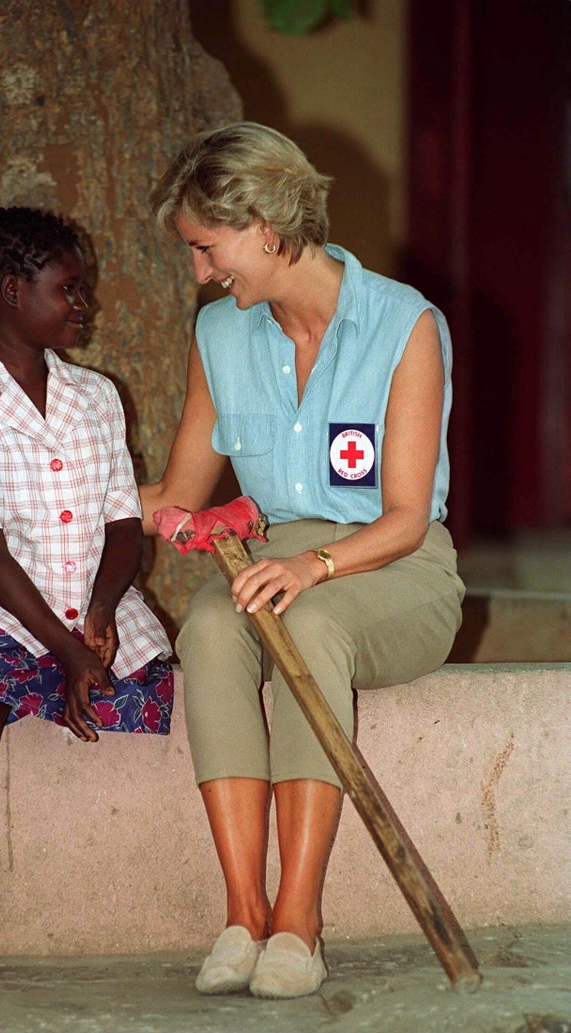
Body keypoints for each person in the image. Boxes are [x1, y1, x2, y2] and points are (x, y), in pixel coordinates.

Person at [140, 122, 465, 1000]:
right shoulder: (221, 333)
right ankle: (244, 915)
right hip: (269, 565)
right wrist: (59, 500)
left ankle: (299, 920)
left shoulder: (405, 326)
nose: (204, 272)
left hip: (391, 570)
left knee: (307, 623)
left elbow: (404, 516)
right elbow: (178, 488)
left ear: (266, 229)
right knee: (210, 626)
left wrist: (316, 565)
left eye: (209, 250)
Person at [0, 206, 172, 984]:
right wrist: (63, 650)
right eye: (66, 289)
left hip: (94, 591)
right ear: (9, 291)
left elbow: (124, 524)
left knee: (149, 695)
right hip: (4, 596)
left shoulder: (96, 396)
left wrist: (96, 622)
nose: (81, 304)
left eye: (81, 289)